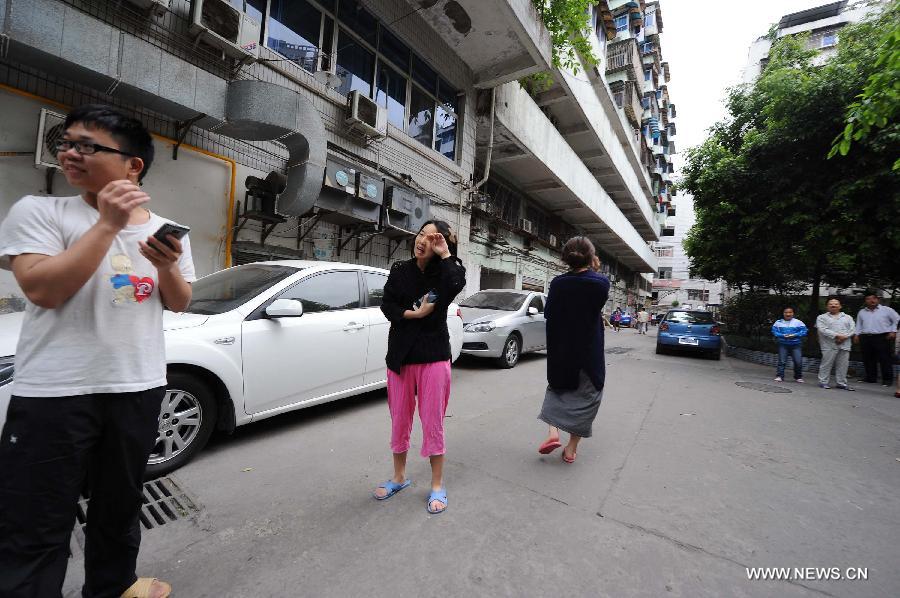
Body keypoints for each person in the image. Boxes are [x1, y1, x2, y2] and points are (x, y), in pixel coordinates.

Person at [0, 105, 194, 598]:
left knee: (120, 503)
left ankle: (114, 586)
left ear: (134, 165)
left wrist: (167, 267)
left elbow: (179, 301)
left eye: (88, 145)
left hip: (137, 386)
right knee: (37, 516)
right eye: (66, 143)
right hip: (54, 392)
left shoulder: (167, 229)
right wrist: (107, 224)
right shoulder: (41, 212)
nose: (70, 152)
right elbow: (43, 290)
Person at [373, 220, 466, 514]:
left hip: (434, 357)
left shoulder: (445, 273)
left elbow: (457, 282)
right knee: (399, 420)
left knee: (432, 422)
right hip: (401, 358)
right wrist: (413, 314)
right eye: (420, 234)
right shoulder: (400, 270)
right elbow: (387, 305)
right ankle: (399, 477)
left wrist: (445, 253)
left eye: (431, 237)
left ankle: (437, 485)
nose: (422, 240)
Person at [537, 237, 610, 463]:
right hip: (588, 353)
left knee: (557, 390)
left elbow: (549, 313)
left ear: (565, 258)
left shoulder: (558, 283)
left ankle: (552, 433)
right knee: (588, 398)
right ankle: (570, 449)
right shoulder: (601, 283)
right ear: (591, 257)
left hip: (562, 352)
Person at [853, 292, 899, 387]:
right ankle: (870, 378)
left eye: (874, 298)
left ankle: (887, 380)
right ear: (866, 301)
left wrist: (893, 331)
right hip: (866, 337)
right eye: (868, 298)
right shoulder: (862, 312)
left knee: (885, 358)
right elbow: (859, 324)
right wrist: (856, 335)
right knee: (868, 358)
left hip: (882, 336)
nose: (872, 300)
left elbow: (897, 319)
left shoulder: (887, 310)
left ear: (878, 299)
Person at [816, 298, 855, 390]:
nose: (833, 306)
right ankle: (823, 382)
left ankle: (841, 383)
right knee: (826, 364)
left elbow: (852, 329)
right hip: (829, 344)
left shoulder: (847, 317)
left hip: (845, 344)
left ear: (840, 306)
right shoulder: (821, 317)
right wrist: (837, 336)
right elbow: (822, 329)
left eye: (836, 304)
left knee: (843, 365)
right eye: (831, 304)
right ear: (827, 306)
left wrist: (844, 337)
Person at [772, 307, 807, 383]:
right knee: (782, 361)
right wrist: (783, 335)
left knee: (798, 361)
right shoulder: (778, 322)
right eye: (786, 312)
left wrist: (795, 335)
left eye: (790, 312)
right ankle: (779, 376)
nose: (788, 314)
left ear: (793, 313)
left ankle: (798, 377)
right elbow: (774, 332)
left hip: (796, 344)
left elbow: (804, 331)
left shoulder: (798, 322)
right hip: (783, 344)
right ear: (783, 313)